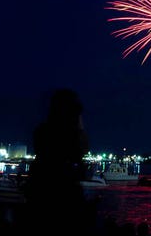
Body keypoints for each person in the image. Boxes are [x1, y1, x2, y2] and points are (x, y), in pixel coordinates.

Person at [21, 87, 95, 236]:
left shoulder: (41, 131)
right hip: (63, 202)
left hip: (40, 200)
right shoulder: (69, 136)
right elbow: (83, 148)